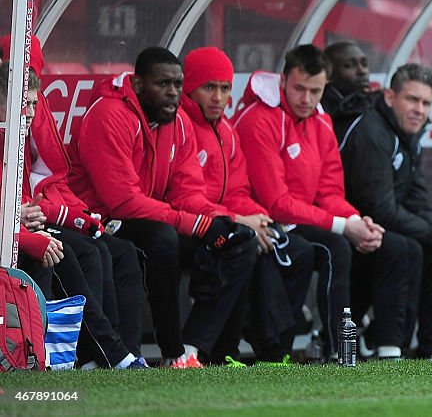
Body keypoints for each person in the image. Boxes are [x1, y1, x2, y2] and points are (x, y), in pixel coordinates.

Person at [67, 47, 258, 368]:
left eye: (178, 84)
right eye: (163, 84)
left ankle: (193, 348)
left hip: (150, 217)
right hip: (102, 220)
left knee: (240, 240)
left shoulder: (177, 121)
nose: (173, 93)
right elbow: (123, 202)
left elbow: (187, 192)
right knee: (163, 239)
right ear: (139, 85)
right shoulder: (110, 115)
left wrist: (223, 220)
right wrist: (196, 225)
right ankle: (170, 349)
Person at [233, 44, 416, 360]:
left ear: (325, 87)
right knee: (334, 246)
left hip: (297, 221)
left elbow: (329, 191)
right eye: (299, 89)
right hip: (257, 220)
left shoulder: (321, 122)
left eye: (315, 91)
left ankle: (343, 350)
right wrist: (343, 225)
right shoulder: (259, 119)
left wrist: (356, 220)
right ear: (283, 81)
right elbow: (276, 202)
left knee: (356, 246)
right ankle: (288, 349)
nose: (306, 99)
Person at [1, 61, 148, 369]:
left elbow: (28, 198)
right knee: (60, 251)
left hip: (19, 231)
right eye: (23, 104)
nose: (30, 113)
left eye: (32, 104)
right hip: (13, 236)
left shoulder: (15, 141)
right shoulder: (11, 139)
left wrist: (74, 218)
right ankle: (107, 353)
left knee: (101, 251)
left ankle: (83, 354)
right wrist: (28, 234)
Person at [340, 63, 432, 359]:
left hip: (382, 225)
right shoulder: (372, 133)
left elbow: (417, 199)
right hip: (354, 229)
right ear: (389, 97)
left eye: (426, 103)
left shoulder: (409, 133)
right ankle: (390, 345)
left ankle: (431, 348)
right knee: (407, 247)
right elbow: (380, 208)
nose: (419, 110)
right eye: (412, 99)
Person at [181, 46, 315, 363]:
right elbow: (185, 198)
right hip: (192, 223)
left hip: (227, 220)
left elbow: (238, 188)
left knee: (296, 249)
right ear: (190, 88)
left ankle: (276, 350)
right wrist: (240, 219)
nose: (218, 97)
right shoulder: (182, 126)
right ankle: (214, 349)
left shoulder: (226, 130)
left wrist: (260, 218)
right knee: (245, 243)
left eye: (224, 88)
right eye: (208, 87)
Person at [321, 40, 376, 143]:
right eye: (349, 65)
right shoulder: (317, 111)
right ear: (329, 73)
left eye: (364, 64)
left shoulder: (375, 105)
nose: (362, 71)